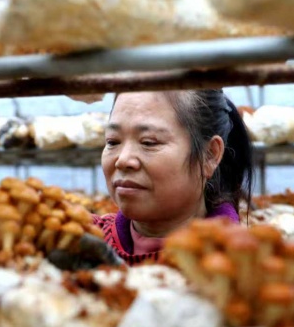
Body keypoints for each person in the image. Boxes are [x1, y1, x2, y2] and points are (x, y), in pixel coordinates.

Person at [94, 89, 254, 265]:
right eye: (112, 142)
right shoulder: (82, 241)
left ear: (209, 155)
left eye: (148, 142)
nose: (123, 160)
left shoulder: (242, 265)